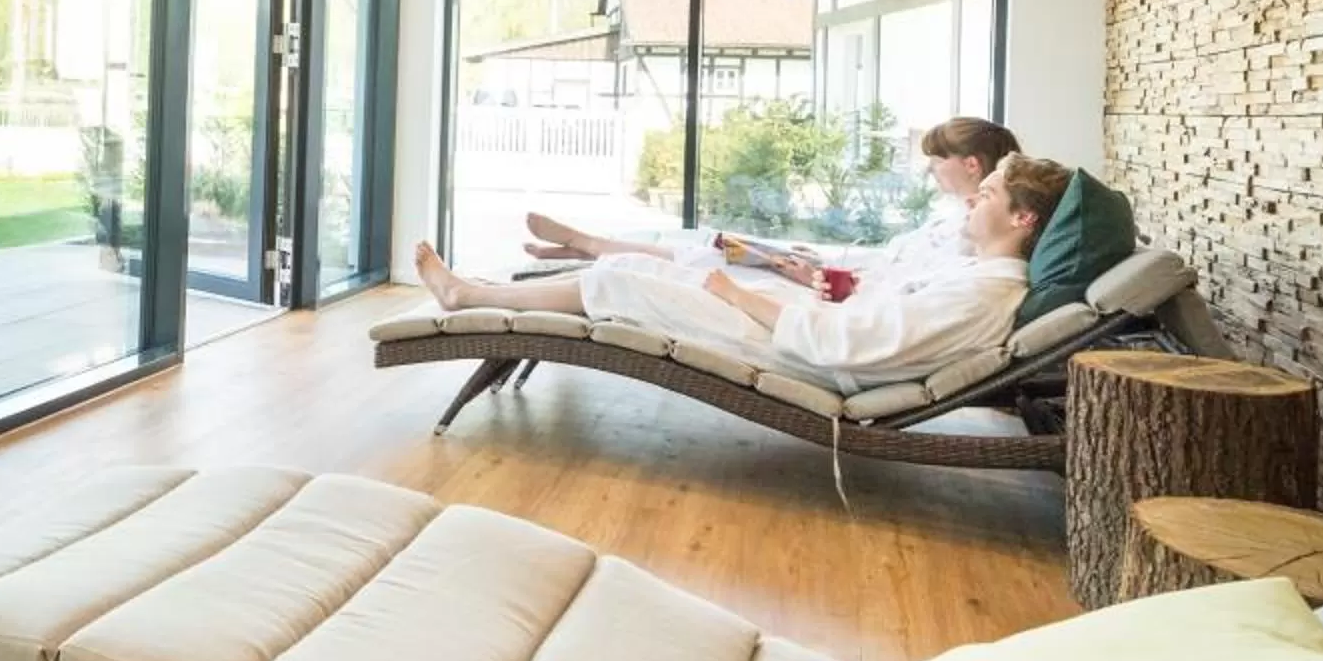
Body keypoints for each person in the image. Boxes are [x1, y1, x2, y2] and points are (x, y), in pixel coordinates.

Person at [417, 155, 1070, 392]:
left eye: (987, 196)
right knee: (663, 265)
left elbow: (843, 346)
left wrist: (737, 294)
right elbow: (873, 315)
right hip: (817, 327)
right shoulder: (980, 277)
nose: (971, 201)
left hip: (810, 356)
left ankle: (467, 293)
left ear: (1023, 221)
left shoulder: (981, 293)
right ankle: (485, 288)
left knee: (627, 282)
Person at [524, 116, 1023, 298]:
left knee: (708, 257)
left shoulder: (972, 237)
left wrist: (823, 275)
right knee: (705, 243)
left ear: (972, 165)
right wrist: (825, 262)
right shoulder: (961, 219)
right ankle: (583, 250)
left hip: (832, 289)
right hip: (834, 273)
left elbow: (901, 291)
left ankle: (586, 249)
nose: (931, 170)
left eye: (938, 161)